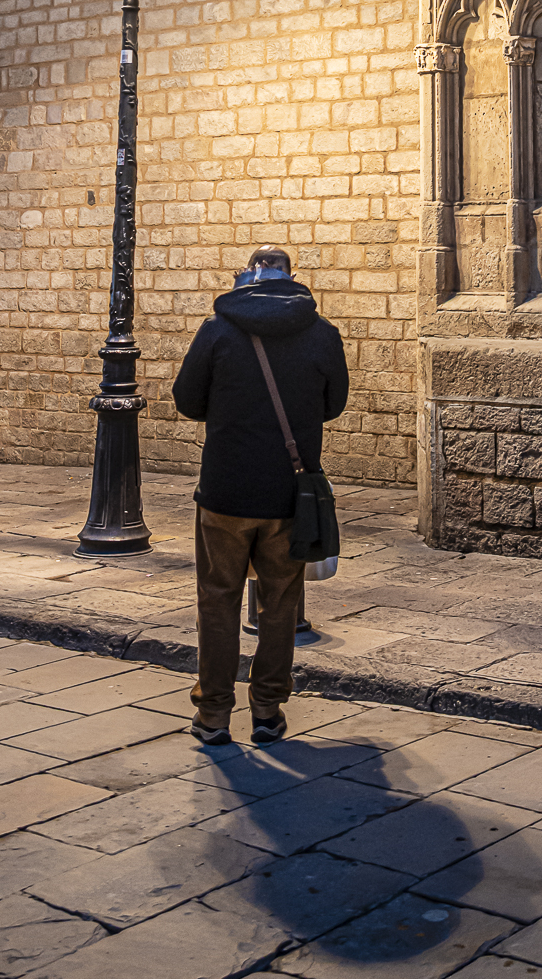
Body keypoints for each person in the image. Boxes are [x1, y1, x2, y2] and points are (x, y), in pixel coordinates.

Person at [172, 244, 348, 746]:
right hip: (290, 495)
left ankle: (213, 715)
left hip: (226, 491)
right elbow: (334, 405)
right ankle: (268, 711)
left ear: (248, 275)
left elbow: (187, 401)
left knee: (218, 601)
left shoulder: (218, 329)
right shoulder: (322, 333)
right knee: (280, 603)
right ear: (293, 278)